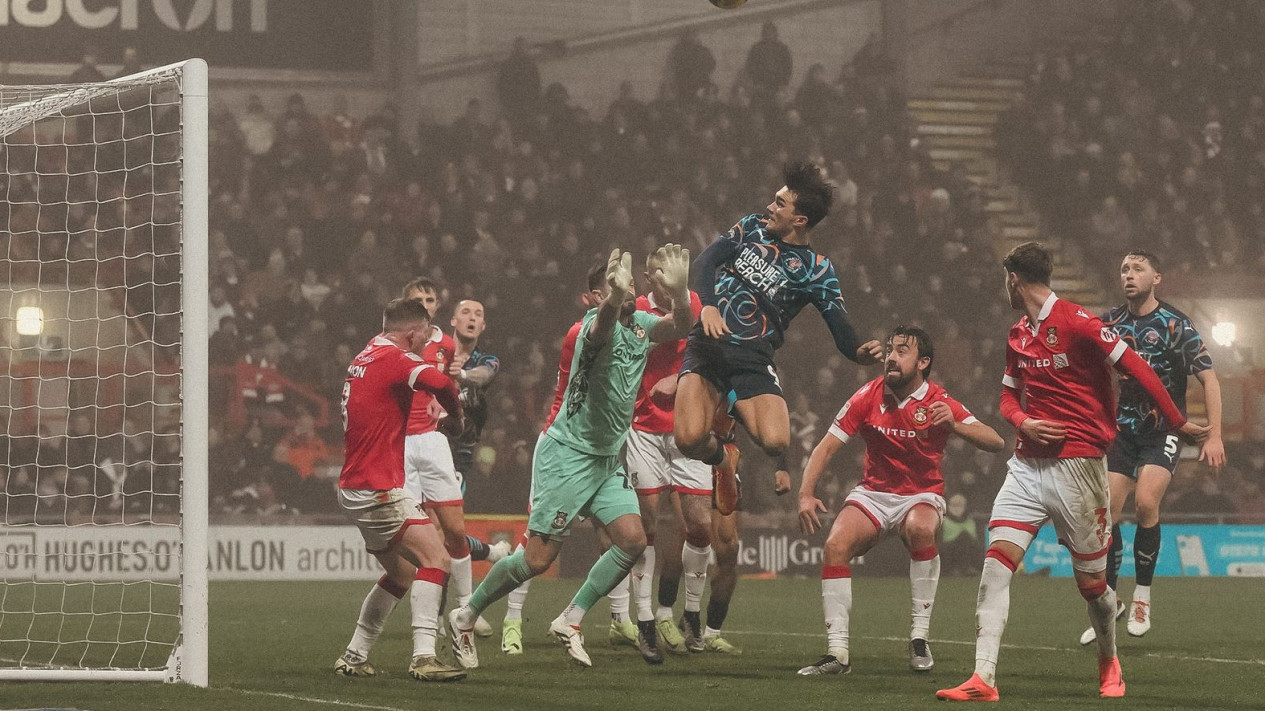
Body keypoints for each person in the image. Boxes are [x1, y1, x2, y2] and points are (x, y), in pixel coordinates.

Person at [936, 242, 1209, 702]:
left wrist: (1178, 423)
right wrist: (1023, 421)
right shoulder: (1018, 333)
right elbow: (1007, 398)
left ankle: (1109, 661)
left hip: (1079, 468)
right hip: (1025, 467)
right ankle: (983, 678)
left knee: (1093, 588)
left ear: (1013, 279)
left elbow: (1139, 367)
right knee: (996, 566)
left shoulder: (1080, 322)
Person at [449, 245, 693, 669]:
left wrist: (683, 291)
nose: (628, 290)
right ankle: (466, 614)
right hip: (566, 455)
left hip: (605, 458)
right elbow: (601, 330)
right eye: (615, 287)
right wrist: (615, 301)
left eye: (629, 284)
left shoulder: (641, 326)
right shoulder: (583, 331)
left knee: (633, 540)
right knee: (538, 559)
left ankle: (571, 618)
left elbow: (681, 327)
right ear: (595, 297)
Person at [674, 161, 882, 514]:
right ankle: (723, 459)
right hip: (708, 345)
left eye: (780, 204)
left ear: (800, 220)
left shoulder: (817, 269)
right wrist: (707, 307)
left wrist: (858, 352)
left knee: (776, 441)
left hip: (753, 358)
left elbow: (839, 326)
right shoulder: (751, 226)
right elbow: (705, 263)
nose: (770, 207)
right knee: (688, 439)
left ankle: (730, 400)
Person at [795, 326, 1005, 676]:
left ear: (923, 362)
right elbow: (826, 446)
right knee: (834, 545)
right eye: (891, 349)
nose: (891, 357)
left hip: (921, 495)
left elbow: (996, 441)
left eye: (902, 351)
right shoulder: (868, 394)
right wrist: (805, 494)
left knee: (921, 528)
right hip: (874, 494)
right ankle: (838, 656)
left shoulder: (939, 400)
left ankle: (919, 637)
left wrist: (955, 424)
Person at [1078, 251, 1224, 645]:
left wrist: (1215, 435)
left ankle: (1142, 595)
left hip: (1163, 430)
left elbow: (1209, 379)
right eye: (1124, 268)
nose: (1128, 274)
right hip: (1120, 432)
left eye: (1138, 269)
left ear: (1157, 277)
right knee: (1105, 515)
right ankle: (1109, 602)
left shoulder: (1176, 324)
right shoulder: (1109, 322)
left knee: (1145, 503)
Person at [332, 298, 466, 682]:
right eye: (427, 330)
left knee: (402, 573)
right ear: (413, 332)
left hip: (356, 484)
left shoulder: (367, 353)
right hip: (377, 487)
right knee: (437, 559)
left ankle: (354, 655)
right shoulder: (396, 357)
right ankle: (424, 658)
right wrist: (455, 418)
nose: (430, 337)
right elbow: (440, 382)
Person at [616, 251, 707, 663]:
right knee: (646, 522)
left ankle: (688, 610)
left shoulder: (696, 304)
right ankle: (645, 619)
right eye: (656, 270)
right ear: (648, 276)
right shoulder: (635, 310)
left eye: (669, 269)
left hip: (688, 426)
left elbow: (709, 349)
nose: (663, 276)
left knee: (701, 524)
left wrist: (681, 375)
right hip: (645, 430)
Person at [444, 298, 512, 567]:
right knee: (433, 534)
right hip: (420, 448)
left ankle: (458, 606)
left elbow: (482, 375)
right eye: (465, 312)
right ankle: (490, 552)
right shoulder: (437, 351)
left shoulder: (487, 361)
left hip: (457, 456)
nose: (471, 317)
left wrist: (459, 374)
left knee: (445, 533)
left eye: (478, 314)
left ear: (482, 326)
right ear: (453, 320)